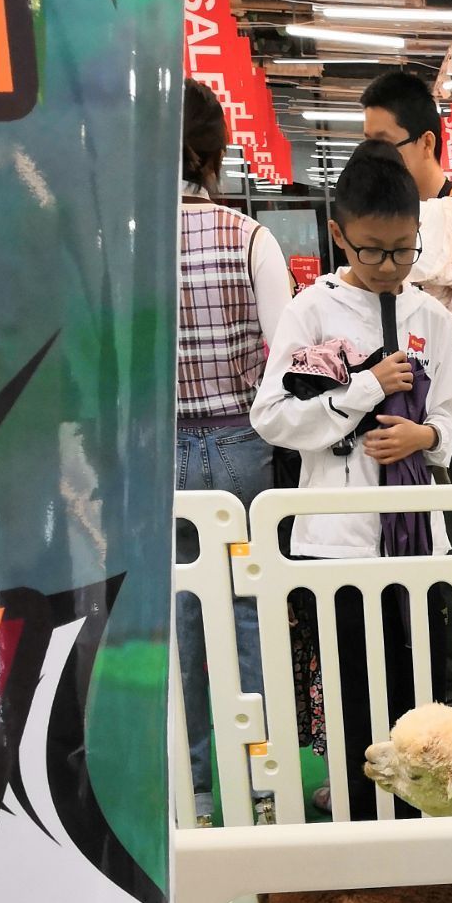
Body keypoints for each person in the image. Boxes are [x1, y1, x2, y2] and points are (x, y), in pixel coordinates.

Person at [251, 141, 452, 819]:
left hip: (419, 539)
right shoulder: (312, 311)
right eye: (373, 250)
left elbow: (448, 415)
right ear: (339, 234)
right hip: (335, 543)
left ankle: (420, 819)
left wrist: (423, 437)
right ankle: (356, 815)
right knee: (350, 692)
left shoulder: (431, 315)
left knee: (421, 689)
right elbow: (272, 417)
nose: (389, 266)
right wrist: (365, 388)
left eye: (404, 250)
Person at [362, 68, 452, 713]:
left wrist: (423, 328)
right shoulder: (377, 215)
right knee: (403, 562)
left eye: (383, 142)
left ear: (425, 142)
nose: (373, 156)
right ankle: (415, 704)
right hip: (386, 421)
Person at [176, 77, 294, 826]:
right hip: (244, 442)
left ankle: (190, 794)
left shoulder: (123, 240)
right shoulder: (249, 236)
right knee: (252, 615)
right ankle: (260, 788)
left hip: (162, 452)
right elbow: (287, 358)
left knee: (180, 619)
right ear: (217, 151)